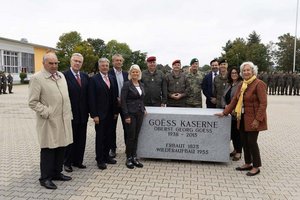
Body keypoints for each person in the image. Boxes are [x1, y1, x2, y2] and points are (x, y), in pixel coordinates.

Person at [28, 52, 73, 189]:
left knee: (61, 147)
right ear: (44, 63)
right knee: (48, 149)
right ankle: (45, 178)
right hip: (49, 121)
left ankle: (57, 173)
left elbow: (65, 97)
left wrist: (69, 113)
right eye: (51, 63)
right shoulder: (37, 78)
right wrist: (47, 112)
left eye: (56, 63)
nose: (54, 66)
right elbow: (33, 102)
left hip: (63, 119)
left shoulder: (61, 76)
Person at [215, 61, 267, 176]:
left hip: (253, 119)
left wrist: (257, 120)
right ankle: (248, 163)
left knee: (252, 142)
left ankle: (256, 166)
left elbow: (263, 104)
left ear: (253, 71)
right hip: (241, 117)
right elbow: (235, 101)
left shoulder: (259, 84)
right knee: (244, 142)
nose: (246, 72)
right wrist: (224, 113)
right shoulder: (242, 84)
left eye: (248, 70)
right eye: (244, 70)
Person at [89, 58, 118, 170]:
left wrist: (115, 112)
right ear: (99, 67)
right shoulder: (94, 79)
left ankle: (106, 157)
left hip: (111, 114)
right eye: (103, 66)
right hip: (100, 115)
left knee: (109, 136)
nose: (105, 67)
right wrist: (94, 115)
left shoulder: (112, 78)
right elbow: (92, 98)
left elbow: (115, 96)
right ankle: (100, 159)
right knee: (100, 138)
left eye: (106, 65)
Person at [63, 53, 89, 172]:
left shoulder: (84, 76)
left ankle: (78, 161)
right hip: (70, 114)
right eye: (75, 61)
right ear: (71, 61)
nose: (77, 63)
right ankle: (67, 162)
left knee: (81, 139)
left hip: (83, 114)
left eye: (79, 61)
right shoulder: (63, 76)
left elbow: (88, 95)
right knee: (70, 139)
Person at [121, 64, 146, 169]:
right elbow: (123, 101)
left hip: (139, 113)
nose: (135, 73)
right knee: (130, 136)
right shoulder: (127, 84)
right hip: (130, 114)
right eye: (133, 72)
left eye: (137, 72)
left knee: (136, 136)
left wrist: (143, 108)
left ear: (139, 73)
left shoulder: (141, 84)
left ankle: (134, 157)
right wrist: (126, 115)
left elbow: (141, 99)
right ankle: (129, 158)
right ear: (130, 73)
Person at [108, 54, 129, 158]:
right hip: (113, 105)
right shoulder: (108, 73)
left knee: (127, 127)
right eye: (117, 60)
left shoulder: (126, 74)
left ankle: (128, 147)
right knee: (112, 128)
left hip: (125, 105)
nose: (119, 62)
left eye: (120, 60)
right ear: (113, 62)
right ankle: (112, 148)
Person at [221, 67, 243, 161]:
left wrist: (232, 108)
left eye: (236, 73)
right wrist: (225, 106)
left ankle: (238, 152)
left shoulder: (241, 84)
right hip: (228, 112)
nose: (234, 74)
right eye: (232, 73)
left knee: (237, 133)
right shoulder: (229, 84)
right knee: (232, 132)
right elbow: (223, 96)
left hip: (235, 113)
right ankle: (235, 149)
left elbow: (240, 99)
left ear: (239, 74)